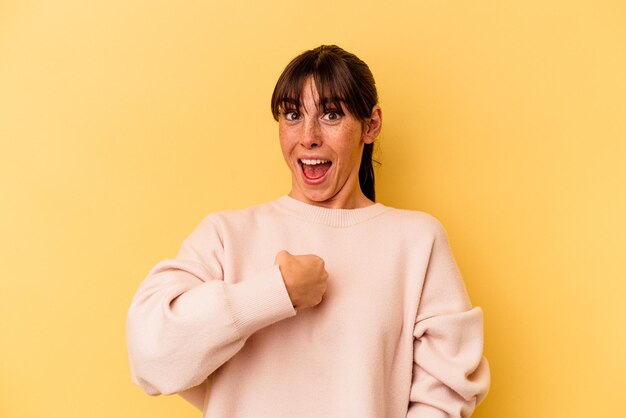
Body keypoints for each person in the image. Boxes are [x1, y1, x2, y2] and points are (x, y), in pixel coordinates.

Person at [126, 44, 490, 417]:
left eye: (331, 115)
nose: (308, 136)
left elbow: (446, 392)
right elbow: (150, 356)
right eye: (293, 114)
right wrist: (274, 291)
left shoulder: (417, 242)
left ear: (372, 125)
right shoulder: (226, 236)